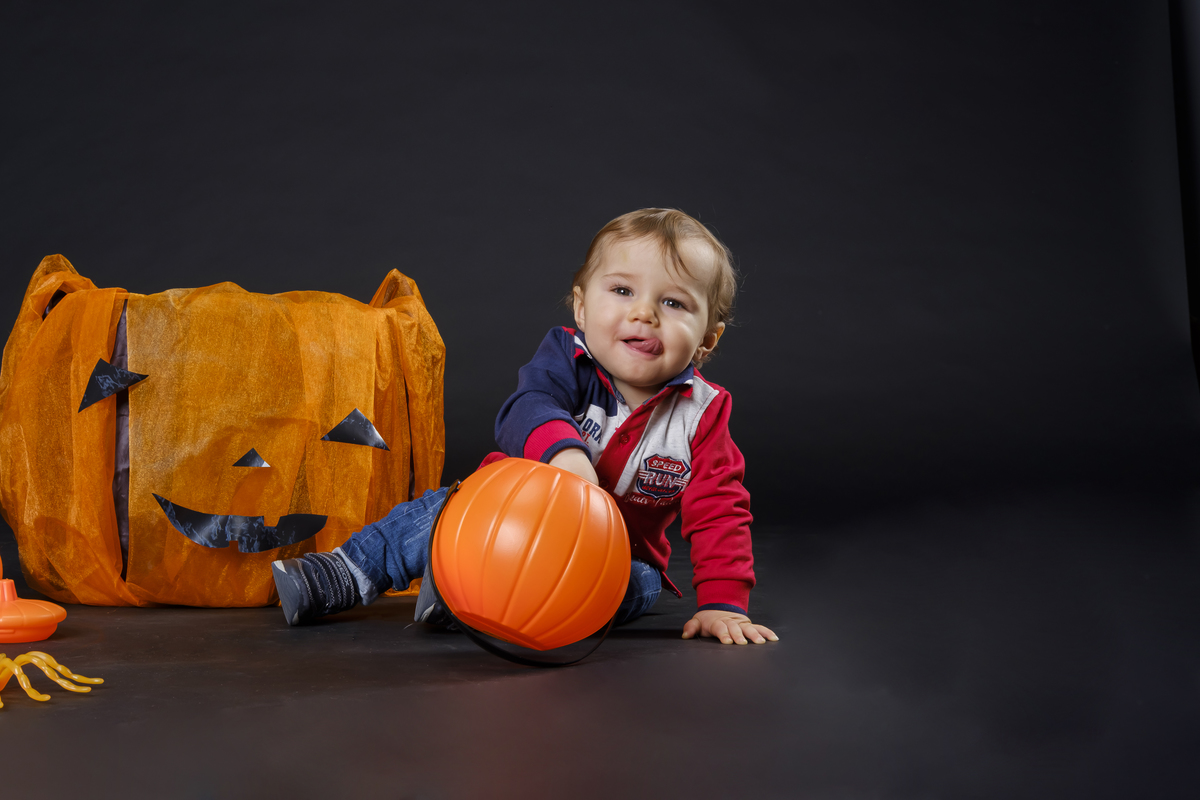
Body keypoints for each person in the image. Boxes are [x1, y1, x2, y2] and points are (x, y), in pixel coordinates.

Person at [272, 209, 778, 646]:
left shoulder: (701, 414)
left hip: (612, 553)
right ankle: (342, 574)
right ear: (582, 307)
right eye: (622, 290)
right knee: (438, 510)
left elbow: (719, 510)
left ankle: (473, 607)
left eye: (673, 303)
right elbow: (526, 406)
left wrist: (723, 603)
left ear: (708, 340)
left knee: (638, 587)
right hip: (503, 519)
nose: (643, 313)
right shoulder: (568, 359)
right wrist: (566, 455)